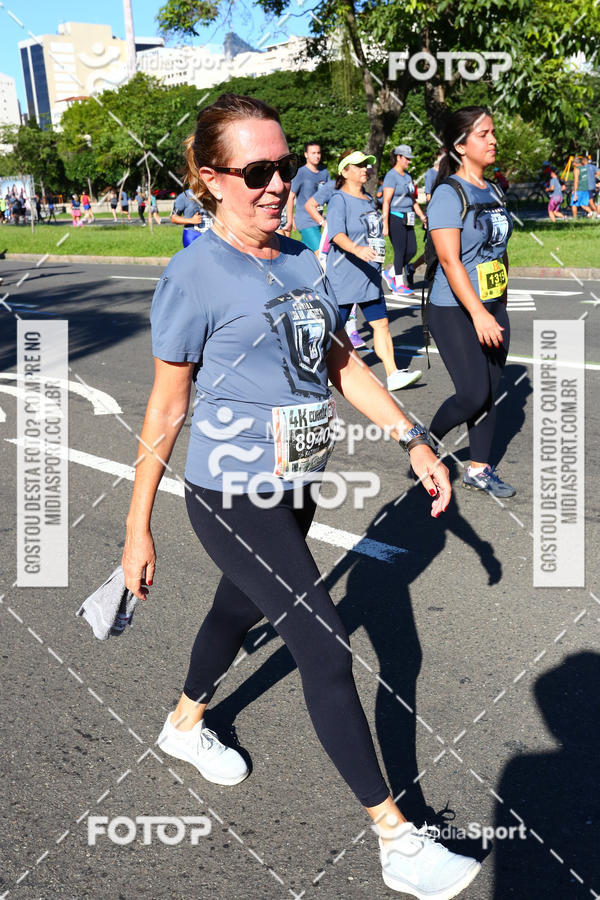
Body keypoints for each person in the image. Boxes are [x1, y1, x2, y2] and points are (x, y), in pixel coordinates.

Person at [122, 92, 481, 900]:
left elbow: (341, 362)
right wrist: (137, 528)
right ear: (211, 179)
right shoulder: (193, 275)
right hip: (230, 495)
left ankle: (184, 722)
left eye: (282, 166)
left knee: (234, 613)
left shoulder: (299, 258)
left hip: (297, 485)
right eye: (256, 171)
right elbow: (166, 408)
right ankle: (396, 839)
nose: (278, 182)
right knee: (325, 645)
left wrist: (413, 437)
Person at [427, 105, 515, 498]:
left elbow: (498, 250)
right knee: (472, 394)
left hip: (492, 307)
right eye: (483, 134)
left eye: (493, 132)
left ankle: (479, 469)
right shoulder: (449, 194)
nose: (493, 140)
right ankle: (424, 442)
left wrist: (499, 302)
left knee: (489, 392)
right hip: (455, 311)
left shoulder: (493, 190)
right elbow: (449, 260)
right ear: (461, 146)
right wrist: (478, 313)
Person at [326, 148, 422, 391]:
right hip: (345, 276)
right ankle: (322, 372)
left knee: (381, 324)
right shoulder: (339, 199)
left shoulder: (369, 199)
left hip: (369, 275)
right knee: (335, 329)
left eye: (366, 165)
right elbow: (336, 234)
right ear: (344, 171)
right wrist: (357, 249)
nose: (365, 169)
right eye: (359, 166)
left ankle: (393, 374)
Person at [381, 145, 427, 296]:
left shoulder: (408, 177)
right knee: (399, 251)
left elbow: (412, 200)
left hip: (409, 218)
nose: (409, 161)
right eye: (406, 158)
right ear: (398, 157)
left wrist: (422, 216)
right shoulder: (391, 176)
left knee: (412, 250)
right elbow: (386, 201)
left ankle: (390, 273)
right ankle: (399, 285)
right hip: (395, 217)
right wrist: (385, 224)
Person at [284, 141, 334, 251]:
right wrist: (290, 219)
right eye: (313, 153)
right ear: (306, 154)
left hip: (318, 219)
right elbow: (290, 197)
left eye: (318, 153)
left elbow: (330, 196)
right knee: (321, 251)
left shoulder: (324, 172)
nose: (317, 156)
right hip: (305, 220)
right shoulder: (301, 173)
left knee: (308, 253)